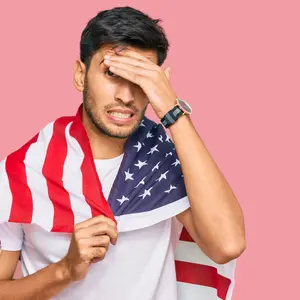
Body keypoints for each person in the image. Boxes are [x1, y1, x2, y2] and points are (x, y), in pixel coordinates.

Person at [0, 6, 246, 300]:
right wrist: (65, 269)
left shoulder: (164, 162)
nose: (126, 96)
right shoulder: (22, 173)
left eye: (141, 78)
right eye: (112, 74)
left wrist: (170, 108)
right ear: (81, 75)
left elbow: (227, 245)